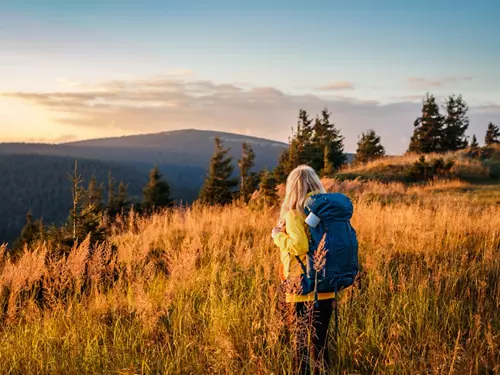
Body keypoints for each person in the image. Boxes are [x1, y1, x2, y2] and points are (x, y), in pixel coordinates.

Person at [272, 165, 335, 375]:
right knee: (321, 346)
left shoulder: (294, 214)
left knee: (300, 350)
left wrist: (277, 236)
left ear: (292, 188)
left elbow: (299, 246)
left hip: (301, 289)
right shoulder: (328, 213)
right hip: (326, 286)